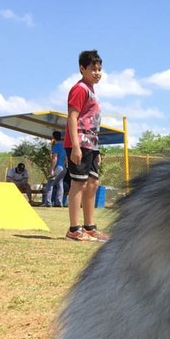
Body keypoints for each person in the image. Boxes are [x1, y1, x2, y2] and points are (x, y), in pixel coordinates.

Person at [64, 49, 108, 242]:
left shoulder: (92, 91)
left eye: (99, 69)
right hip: (79, 142)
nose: (97, 72)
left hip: (91, 143)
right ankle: (74, 229)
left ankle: (89, 227)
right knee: (78, 183)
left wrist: (96, 149)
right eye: (93, 69)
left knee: (92, 183)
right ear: (82, 69)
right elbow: (72, 118)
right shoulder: (80, 89)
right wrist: (75, 146)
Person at [43, 130, 66, 207]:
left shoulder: (56, 147)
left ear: (53, 137)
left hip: (57, 167)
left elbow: (54, 158)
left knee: (50, 184)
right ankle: (59, 202)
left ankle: (48, 202)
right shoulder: (64, 146)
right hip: (63, 167)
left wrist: (52, 169)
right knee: (60, 184)